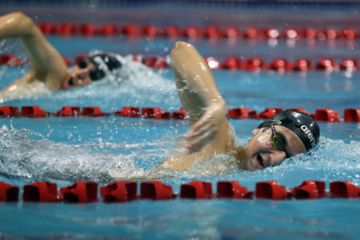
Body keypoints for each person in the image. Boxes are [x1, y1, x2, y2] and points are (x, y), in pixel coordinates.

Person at [158, 41, 320, 171]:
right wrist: (216, 102)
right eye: (278, 141)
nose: (276, 159)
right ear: (259, 129)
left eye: (289, 158)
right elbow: (181, 51)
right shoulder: (218, 145)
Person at [0, 12, 123, 101]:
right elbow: (24, 23)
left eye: (94, 75)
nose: (81, 73)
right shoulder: (57, 74)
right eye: (83, 65)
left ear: (105, 85)